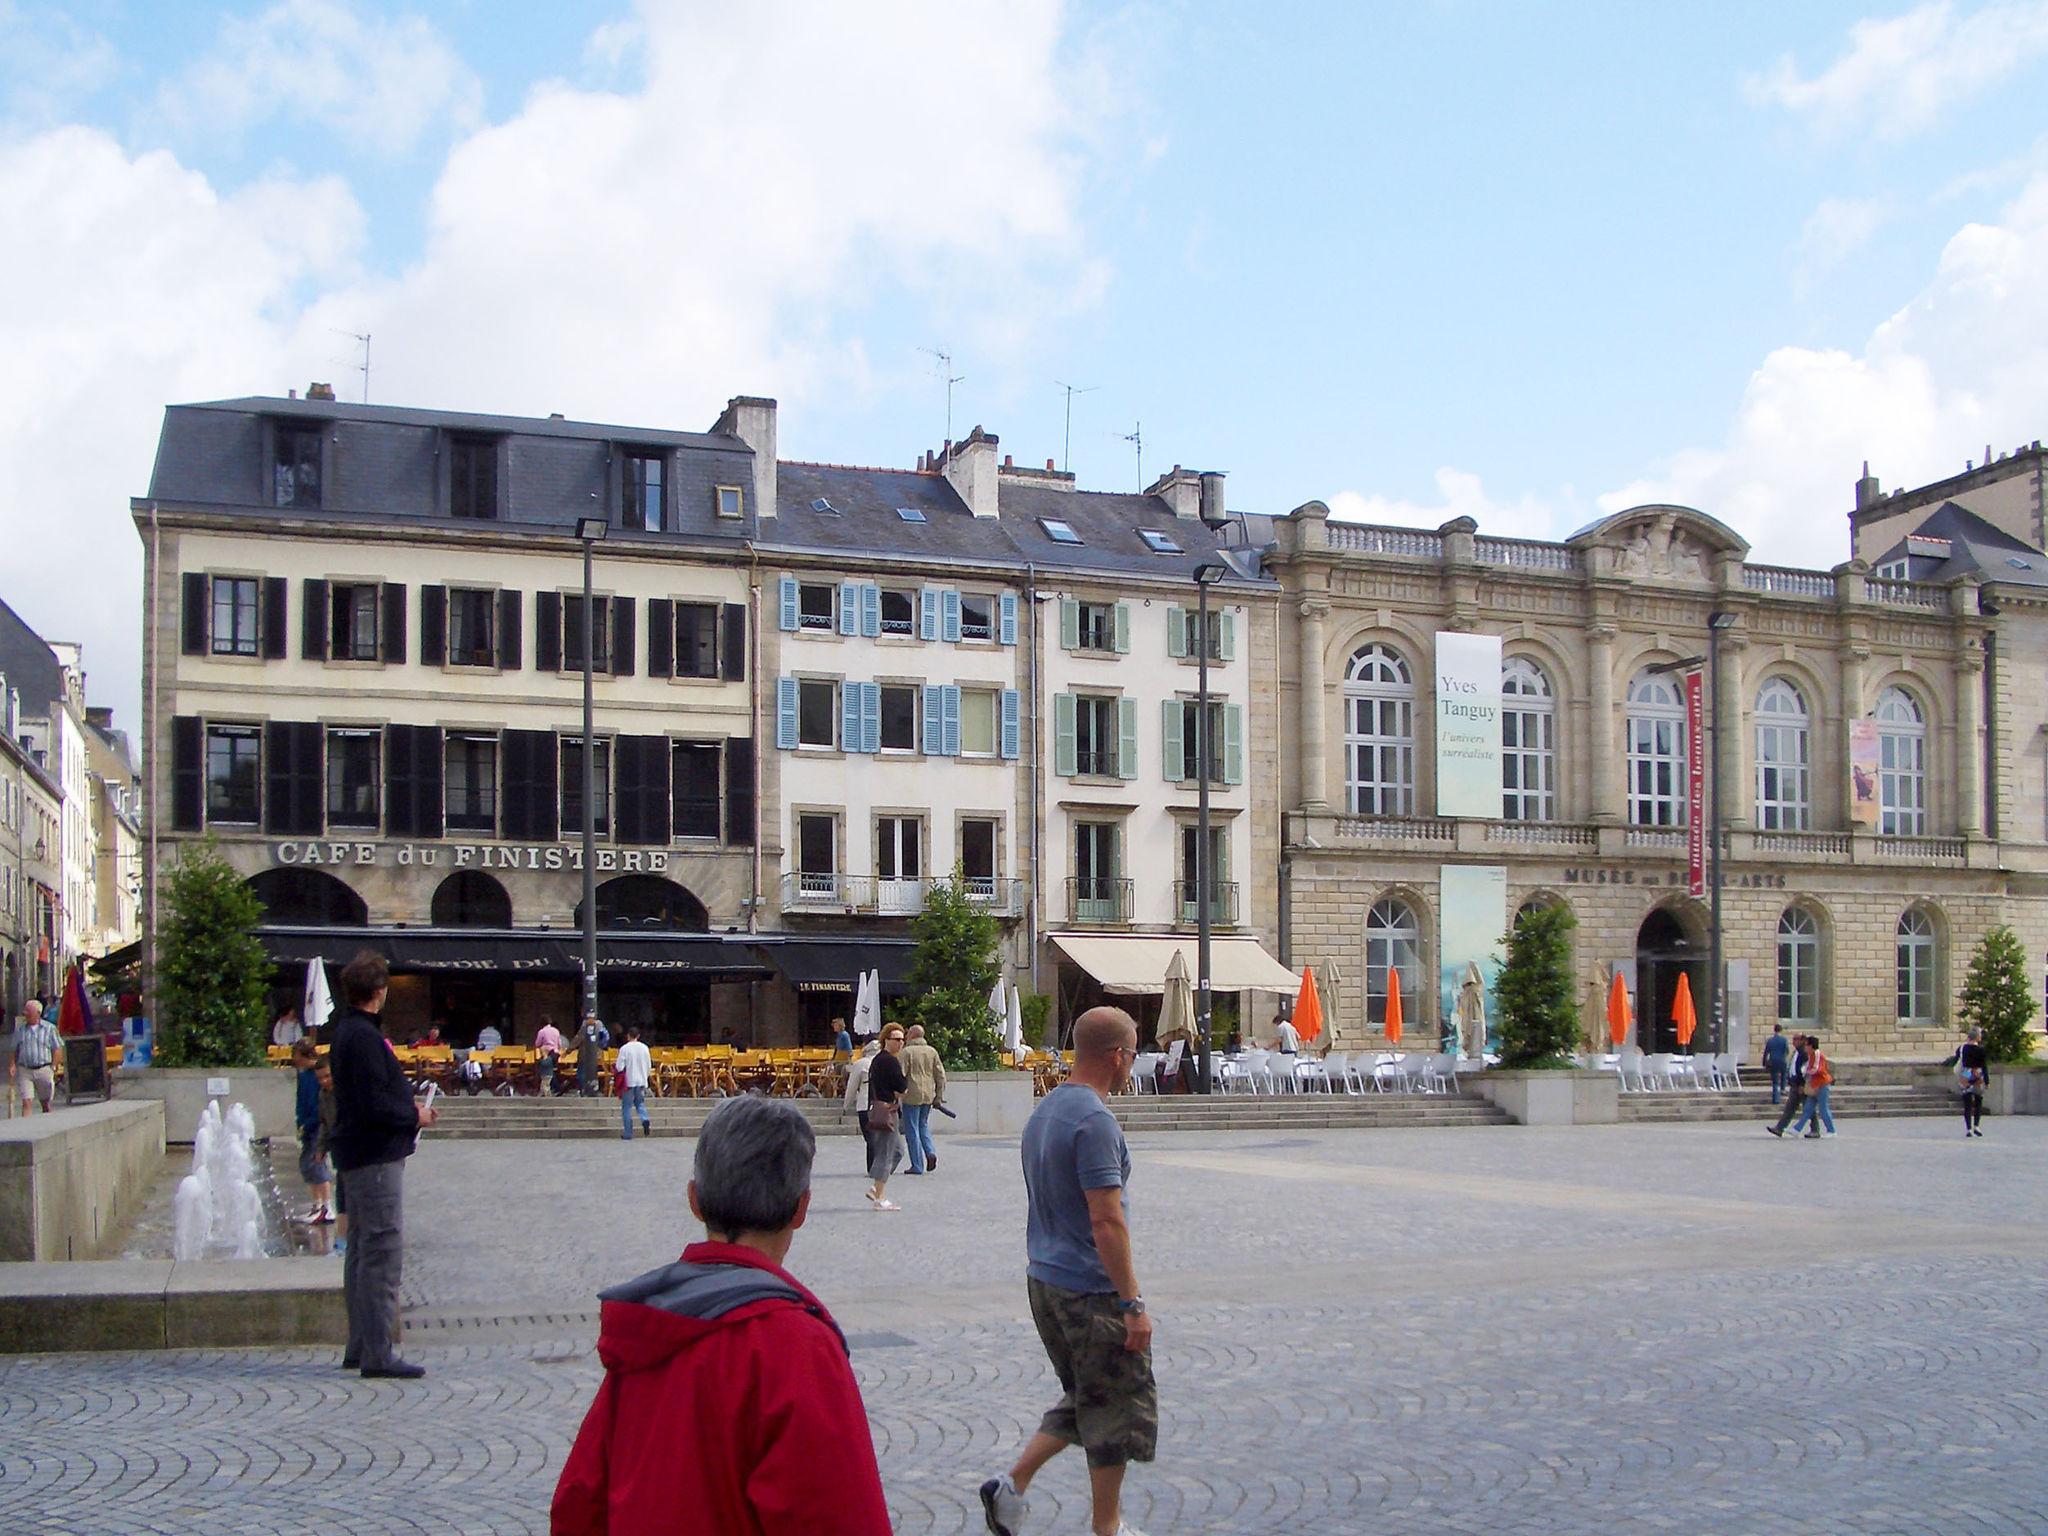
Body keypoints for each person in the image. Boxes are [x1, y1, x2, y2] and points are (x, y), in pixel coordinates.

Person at [551, 1096, 891, 1535]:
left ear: (694, 1200)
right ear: (801, 1209)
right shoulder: (797, 1348)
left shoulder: (639, 1336)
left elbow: (578, 1506)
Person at [981, 1006, 1155, 1536]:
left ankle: (1010, 1488)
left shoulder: (1048, 1108)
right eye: (1132, 1054)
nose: (1132, 1065)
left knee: (1087, 1392)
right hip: (1089, 1288)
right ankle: (1109, 1527)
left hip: (1045, 1278)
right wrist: (1132, 1304)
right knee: (1115, 1406)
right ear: (1118, 1056)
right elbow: (1108, 1221)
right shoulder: (1095, 1121)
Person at [329, 949, 437, 1379]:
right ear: (379, 992)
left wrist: (404, 1105)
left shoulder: (348, 1032)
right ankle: (378, 1352)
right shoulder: (364, 1037)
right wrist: (414, 1114)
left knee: (360, 1250)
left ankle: (360, 1344)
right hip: (375, 1155)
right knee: (381, 1250)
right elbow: (374, 1103)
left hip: (359, 1153)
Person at [861, 1025, 908, 1211]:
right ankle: (879, 1197)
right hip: (886, 1110)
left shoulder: (879, 1060)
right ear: (886, 1040)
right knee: (886, 1152)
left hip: (880, 1108)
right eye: (896, 1039)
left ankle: (876, 1188)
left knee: (896, 1151)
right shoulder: (889, 1061)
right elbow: (902, 1087)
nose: (900, 1043)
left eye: (902, 1039)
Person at [292, 1039, 334, 1223]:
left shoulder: (316, 1074)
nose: (294, 1059)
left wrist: (310, 1121)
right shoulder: (304, 1075)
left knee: (317, 1164)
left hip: (316, 1125)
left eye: (296, 1055)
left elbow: (319, 1103)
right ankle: (317, 1205)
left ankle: (326, 1206)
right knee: (307, 1165)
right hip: (307, 1124)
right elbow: (302, 1100)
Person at [898, 1024, 948, 1175]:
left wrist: (897, 1094)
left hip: (911, 1095)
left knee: (912, 1129)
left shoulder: (906, 1052)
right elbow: (941, 1076)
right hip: (927, 1094)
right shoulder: (931, 1052)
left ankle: (917, 1165)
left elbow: (901, 1074)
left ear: (912, 1035)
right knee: (923, 1125)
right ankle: (930, 1151)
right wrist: (938, 1096)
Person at [12, 1000, 58, 1115]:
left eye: (28, 1011)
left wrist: (54, 1065)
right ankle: (26, 1128)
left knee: (46, 1103)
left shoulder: (49, 1028)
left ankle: (46, 1125)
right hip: (25, 1069)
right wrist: (12, 1064)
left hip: (44, 1069)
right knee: (26, 1101)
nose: (25, 1014)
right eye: (25, 1011)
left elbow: (57, 1048)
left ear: (38, 1013)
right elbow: (14, 1048)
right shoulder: (20, 1029)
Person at [1788, 1034, 1836, 1139]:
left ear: (1810, 1046)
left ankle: (1831, 1130)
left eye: (1806, 1045)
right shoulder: (1811, 1055)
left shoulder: (1817, 1054)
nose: (1805, 1047)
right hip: (1814, 1085)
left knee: (1823, 1108)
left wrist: (1805, 1072)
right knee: (1808, 1109)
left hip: (1822, 1085)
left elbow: (1817, 1069)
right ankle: (1797, 1129)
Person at [1948, 1026, 1991, 1138]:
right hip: (1977, 1073)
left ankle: (1968, 1128)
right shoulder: (1981, 1050)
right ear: (1977, 1037)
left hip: (1966, 1074)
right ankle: (1977, 1126)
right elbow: (1984, 1066)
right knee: (1978, 1102)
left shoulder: (1962, 1048)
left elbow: (1956, 1059)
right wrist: (1986, 1080)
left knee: (1967, 1104)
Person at [1766, 1034, 1811, 1138]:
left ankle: (1815, 1129)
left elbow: (1804, 1070)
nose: (1794, 1041)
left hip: (1801, 1085)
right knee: (1790, 1108)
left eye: (1796, 1039)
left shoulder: (1804, 1053)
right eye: (1793, 1039)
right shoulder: (1796, 1052)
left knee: (1808, 1108)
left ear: (1802, 1041)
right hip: (1794, 1084)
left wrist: (1802, 1084)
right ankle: (1779, 1128)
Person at [616, 1026, 653, 1141]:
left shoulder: (624, 1049)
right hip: (641, 1080)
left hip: (629, 1081)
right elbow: (648, 1065)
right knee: (640, 1103)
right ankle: (644, 1118)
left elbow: (619, 1067)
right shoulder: (645, 1048)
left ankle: (628, 1132)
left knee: (626, 1107)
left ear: (628, 1036)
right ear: (638, 1036)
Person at [576, 1014, 607, 1097]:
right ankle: (594, 1088)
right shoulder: (600, 1025)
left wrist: (569, 1050)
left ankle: (583, 1089)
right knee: (593, 1071)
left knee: (582, 1072)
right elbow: (605, 1038)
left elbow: (578, 1038)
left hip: (585, 1053)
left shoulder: (584, 1025)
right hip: (597, 1053)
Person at [534, 1015, 565, 1096]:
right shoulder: (556, 1031)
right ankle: (553, 1088)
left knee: (546, 1071)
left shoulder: (542, 1031)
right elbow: (559, 1044)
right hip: (555, 1053)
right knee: (552, 1070)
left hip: (547, 1053)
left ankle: (556, 1087)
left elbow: (537, 1043)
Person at [1762, 1023, 1791, 1105]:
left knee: (1775, 1081)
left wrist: (1764, 1063)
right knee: (1784, 1075)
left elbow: (1766, 1052)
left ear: (1774, 1030)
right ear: (1781, 1030)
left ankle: (1775, 1099)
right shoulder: (1784, 1040)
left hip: (1773, 1061)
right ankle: (1783, 1089)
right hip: (1782, 1060)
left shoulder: (1770, 1040)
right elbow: (1787, 1050)